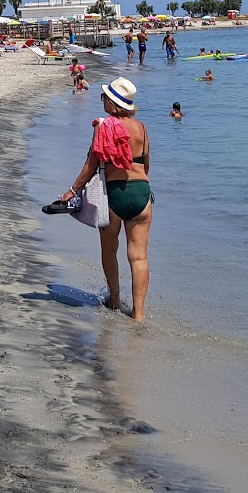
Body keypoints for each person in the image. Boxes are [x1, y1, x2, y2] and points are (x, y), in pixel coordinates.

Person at [56, 78, 152, 319]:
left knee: (110, 251)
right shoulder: (141, 127)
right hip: (141, 193)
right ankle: (139, 316)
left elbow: (92, 164)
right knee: (139, 256)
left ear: (112, 103)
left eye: (104, 98)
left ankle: (115, 300)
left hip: (114, 194)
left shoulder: (104, 126)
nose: (103, 102)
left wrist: (72, 190)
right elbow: (146, 164)